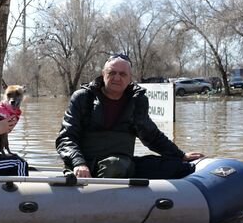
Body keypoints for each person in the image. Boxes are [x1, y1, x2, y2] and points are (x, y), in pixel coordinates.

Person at [56, 54, 204, 179]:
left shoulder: (137, 100)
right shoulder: (83, 97)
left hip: (123, 164)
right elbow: (66, 137)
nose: (117, 78)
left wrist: (180, 155)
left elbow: (150, 135)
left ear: (129, 78)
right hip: (85, 166)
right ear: (103, 74)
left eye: (122, 74)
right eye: (112, 73)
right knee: (114, 165)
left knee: (175, 167)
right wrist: (78, 162)